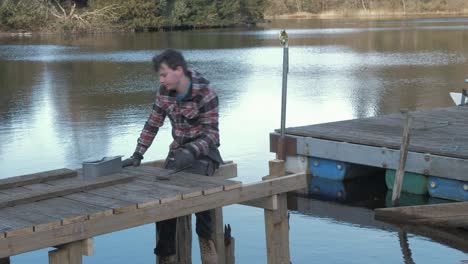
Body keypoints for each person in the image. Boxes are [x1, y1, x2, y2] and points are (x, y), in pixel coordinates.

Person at [123, 49, 223, 264]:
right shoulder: (164, 92)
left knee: (197, 188)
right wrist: (138, 153)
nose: (161, 80)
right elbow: (153, 123)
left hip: (204, 150)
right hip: (177, 148)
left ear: (179, 70)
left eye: (163, 74)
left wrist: (192, 151)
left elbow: (212, 134)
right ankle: (166, 252)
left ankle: (206, 240)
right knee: (163, 190)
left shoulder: (205, 92)